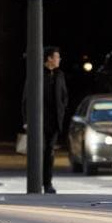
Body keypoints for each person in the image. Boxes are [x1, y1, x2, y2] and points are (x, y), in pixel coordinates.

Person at [22, 46, 69, 194]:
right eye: (57, 57)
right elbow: (26, 99)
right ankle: (36, 182)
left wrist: (61, 110)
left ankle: (48, 183)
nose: (59, 59)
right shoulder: (36, 73)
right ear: (49, 58)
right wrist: (26, 120)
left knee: (49, 153)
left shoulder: (59, 74)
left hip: (54, 121)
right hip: (38, 121)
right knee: (39, 151)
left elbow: (64, 96)